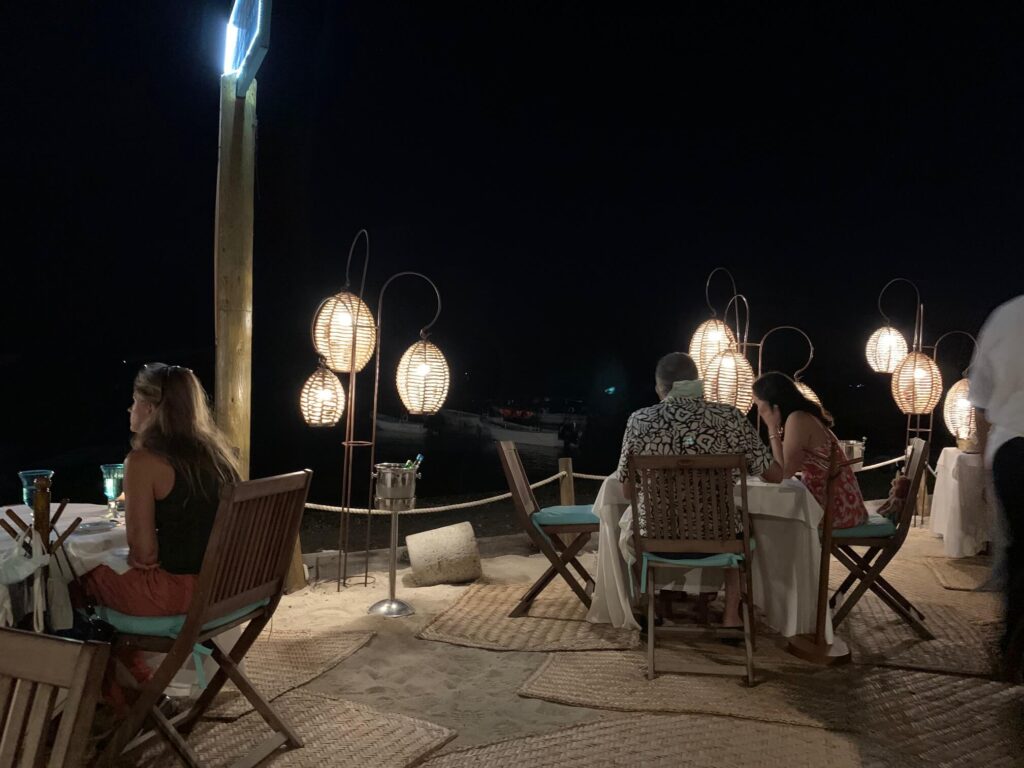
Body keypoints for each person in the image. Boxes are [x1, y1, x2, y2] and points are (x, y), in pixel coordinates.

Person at [79, 364, 241, 700]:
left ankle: (125, 695)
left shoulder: (144, 462)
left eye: (134, 400)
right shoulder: (218, 456)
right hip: (230, 589)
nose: (130, 409)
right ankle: (137, 690)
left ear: (151, 409)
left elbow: (144, 555)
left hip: (182, 595)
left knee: (70, 582)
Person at [616, 352, 782, 628]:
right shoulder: (730, 418)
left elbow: (626, 493)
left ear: (660, 388)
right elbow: (774, 475)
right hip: (720, 536)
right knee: (742, 524)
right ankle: (731, 615)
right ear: (697, 382)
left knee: (629, 525)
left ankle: (653, 605)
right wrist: (773, 429)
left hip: (656, 536)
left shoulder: (639, 421)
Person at [968, 294, 1024, 682]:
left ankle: (1012, 649)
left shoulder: (1005, 315)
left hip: (1011, 448)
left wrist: (986, 461)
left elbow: (980, 401)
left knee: (1020, 551)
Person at [752, 372, 868, 530]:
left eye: (758, 404)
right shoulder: (802, 417)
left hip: (835, 510)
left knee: (768, 520)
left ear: (772, 404)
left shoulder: (798, 419)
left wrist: (771, 427)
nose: (758, 411)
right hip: (843, 505)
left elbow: (783, 473)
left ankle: (784, 554)